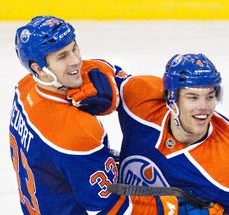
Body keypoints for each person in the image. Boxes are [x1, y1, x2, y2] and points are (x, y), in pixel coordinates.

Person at [9, 15, 180, 215]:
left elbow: (103, 71)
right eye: (62, 56)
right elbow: (113, 208)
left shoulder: (24, 88)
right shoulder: (76, 133)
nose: (75, 61)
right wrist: (173, 208)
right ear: (39, 68)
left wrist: (114, 86)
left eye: (74, 48)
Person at [72, 53, 229, 214]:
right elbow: (106, 71)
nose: (204, 107)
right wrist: (97, 85)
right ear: (171, 99)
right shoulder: (142, 100)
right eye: (192, 97)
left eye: (210, 96)